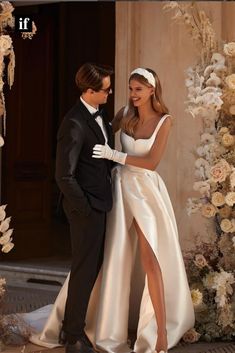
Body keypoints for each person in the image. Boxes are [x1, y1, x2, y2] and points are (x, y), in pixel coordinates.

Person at [24, 68, 194, 353]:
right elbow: (96, 132)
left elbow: (151, 162)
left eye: (138, 89)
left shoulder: (165, 121)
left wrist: (114, 155)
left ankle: (161, 333)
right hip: (117, 189)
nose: (132, 95)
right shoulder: (125, 112)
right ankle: (95, 325)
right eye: (130, 88)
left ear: (153, 89)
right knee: (111, 256)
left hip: (145, 192)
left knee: (151, 257)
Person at [53, 62, 114, 353]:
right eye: (105, 90)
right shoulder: (74, 123)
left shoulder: (99, 116)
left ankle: (74, 329)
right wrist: (86, 207)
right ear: (90, 92)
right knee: (83, 271)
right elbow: (63, 175)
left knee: (89, 271)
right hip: (86, 211)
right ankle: (72, 336)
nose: (110, 93)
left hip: (100, 206)